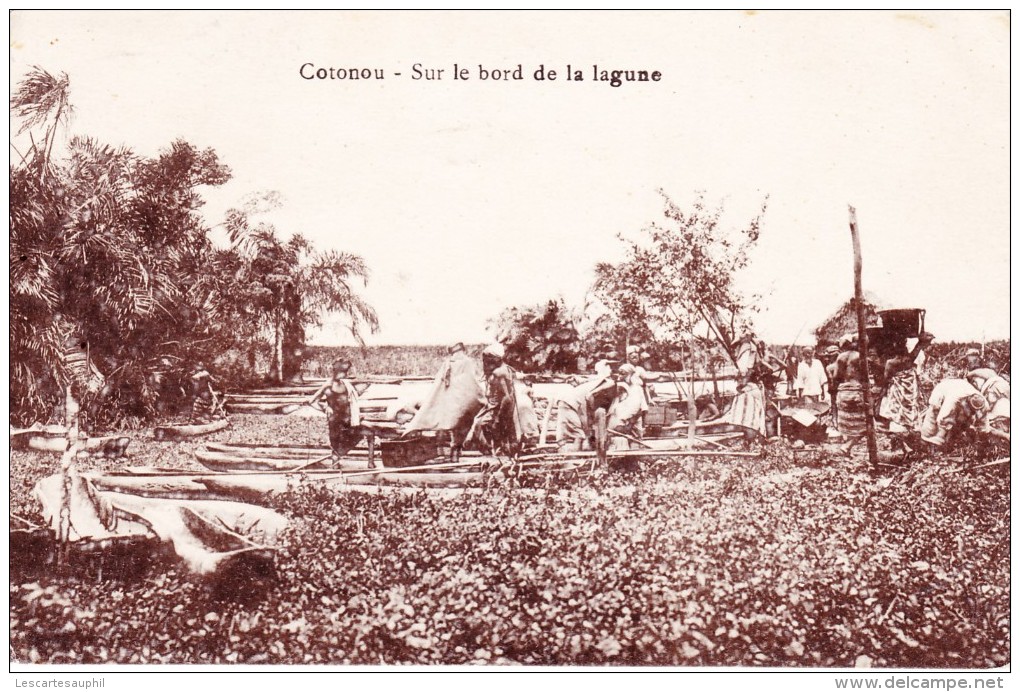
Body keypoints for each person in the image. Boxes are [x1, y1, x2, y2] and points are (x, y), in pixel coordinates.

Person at [403, 343, 486, 461]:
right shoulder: (467, 362)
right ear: (462, 350)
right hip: (464, 401)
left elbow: (439, 385)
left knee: (453, 427)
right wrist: (482, 397)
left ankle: (454, 455)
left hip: (451, 402)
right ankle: (457, 453)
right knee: (464, 426)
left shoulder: (448, 363)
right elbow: (473, 381)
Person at [919, 378, 1010, 452]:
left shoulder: (983, 405)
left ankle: (947, 443)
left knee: (961, 423)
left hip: (961, 392)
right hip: (944, 389)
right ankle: (925, 441)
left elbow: (983, 427)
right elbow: (942, 420)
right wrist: (939, 440)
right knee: (933, 418)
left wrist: (982, 441)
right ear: (966, 402)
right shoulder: (954, 400)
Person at [471, 343, 529, 457]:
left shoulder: (499, 373)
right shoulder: (507, 369)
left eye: (488, 358)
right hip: (502, 406)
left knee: (482, 424)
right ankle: (504, 451)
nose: (486, 362)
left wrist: (499, 416)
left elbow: (507, 396)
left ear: (496, 359)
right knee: (507, 430)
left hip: (499, 407)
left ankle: (496, 450)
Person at [879, 332, 934, 442]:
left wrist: (883, 392)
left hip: (897, 391)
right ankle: (909, 432)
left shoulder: (891, 363)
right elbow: (918, 347)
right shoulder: (909, 359)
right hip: (909, 391)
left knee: (896, 411)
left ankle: (898, 434)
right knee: (910, 409)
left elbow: (886, 380)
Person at [307, 359, 362, 467]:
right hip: (335, 419)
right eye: (343, 372)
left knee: (357, 435)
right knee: (336, 441)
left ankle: (337, 458)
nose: (346, 374)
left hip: (348, 418)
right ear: (336, 371)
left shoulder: (346, 384)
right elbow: (312, 401)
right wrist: (325, 408)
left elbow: (352, 397)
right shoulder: (328, 385)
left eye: (346, 372)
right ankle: (335, 464)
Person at [556, 359, 616, 451]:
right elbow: (585, 412)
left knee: (572, 433)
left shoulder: (594, 382)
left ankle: (572, 454)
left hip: (566, 403)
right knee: (579, 434)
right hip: (569, 404)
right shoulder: (605, 382)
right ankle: (575, 457)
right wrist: (588, 431)